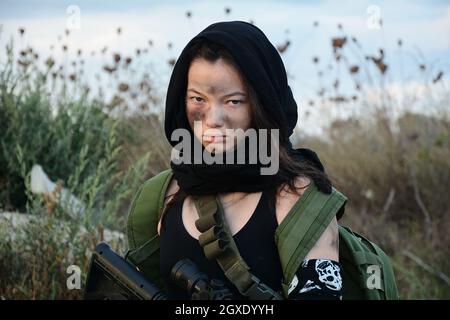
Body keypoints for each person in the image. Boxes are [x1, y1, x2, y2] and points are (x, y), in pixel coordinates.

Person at [137, 21, 343, 300]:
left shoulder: (296, 196)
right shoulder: (166, 192)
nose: (213, 120)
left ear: (263, 104)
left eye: (233, 101)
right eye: (198, 99)